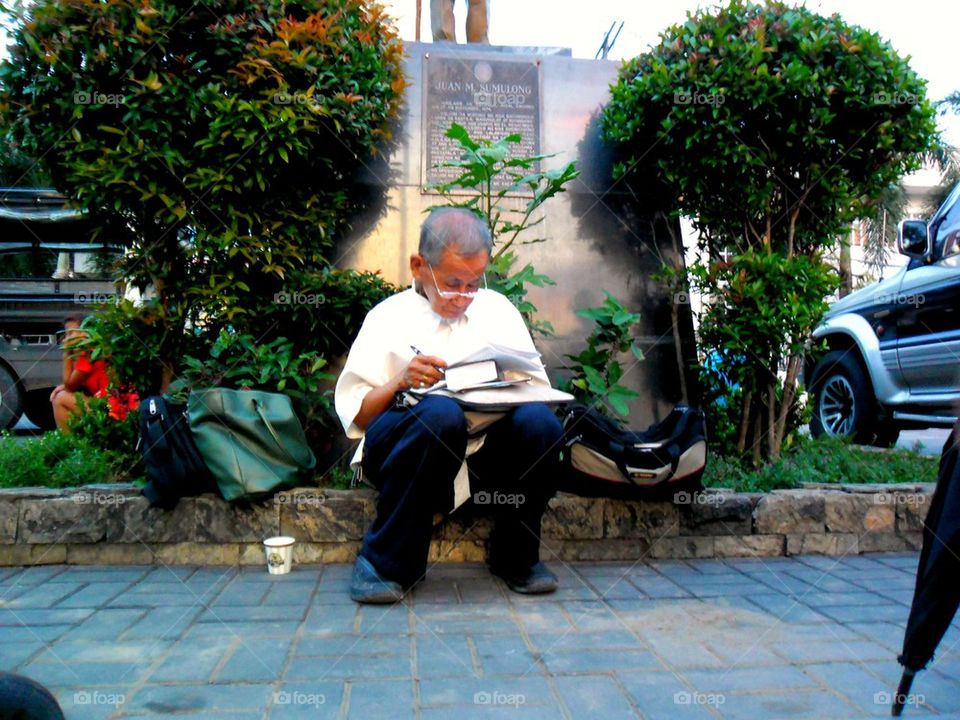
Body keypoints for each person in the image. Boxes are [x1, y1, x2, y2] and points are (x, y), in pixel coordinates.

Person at [335, 207, 563, 603]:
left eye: (474, 284)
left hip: (481, 456)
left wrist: (502, 388)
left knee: (540, 425)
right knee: (440, 415)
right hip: (407, 455)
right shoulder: (387, 318)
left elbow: (536, 393)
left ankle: (517, 557)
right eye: (452, 283)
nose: (463, 298)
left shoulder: (497, 311)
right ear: (418, 266)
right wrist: (400, 381)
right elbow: (358, 417)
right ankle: (383, 563)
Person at [49, 315, 109, 431]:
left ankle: (67, 440)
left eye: (71, 333)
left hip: (110, 408)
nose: (66, 339)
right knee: (60, 395)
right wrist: (63, 386)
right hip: (104, 404)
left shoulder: (88, 353)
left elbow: (69, 386)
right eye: (66, 334)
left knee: (60, 398)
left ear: (85, 334)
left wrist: (66, 353)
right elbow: (74, 383)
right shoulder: (90, 351)